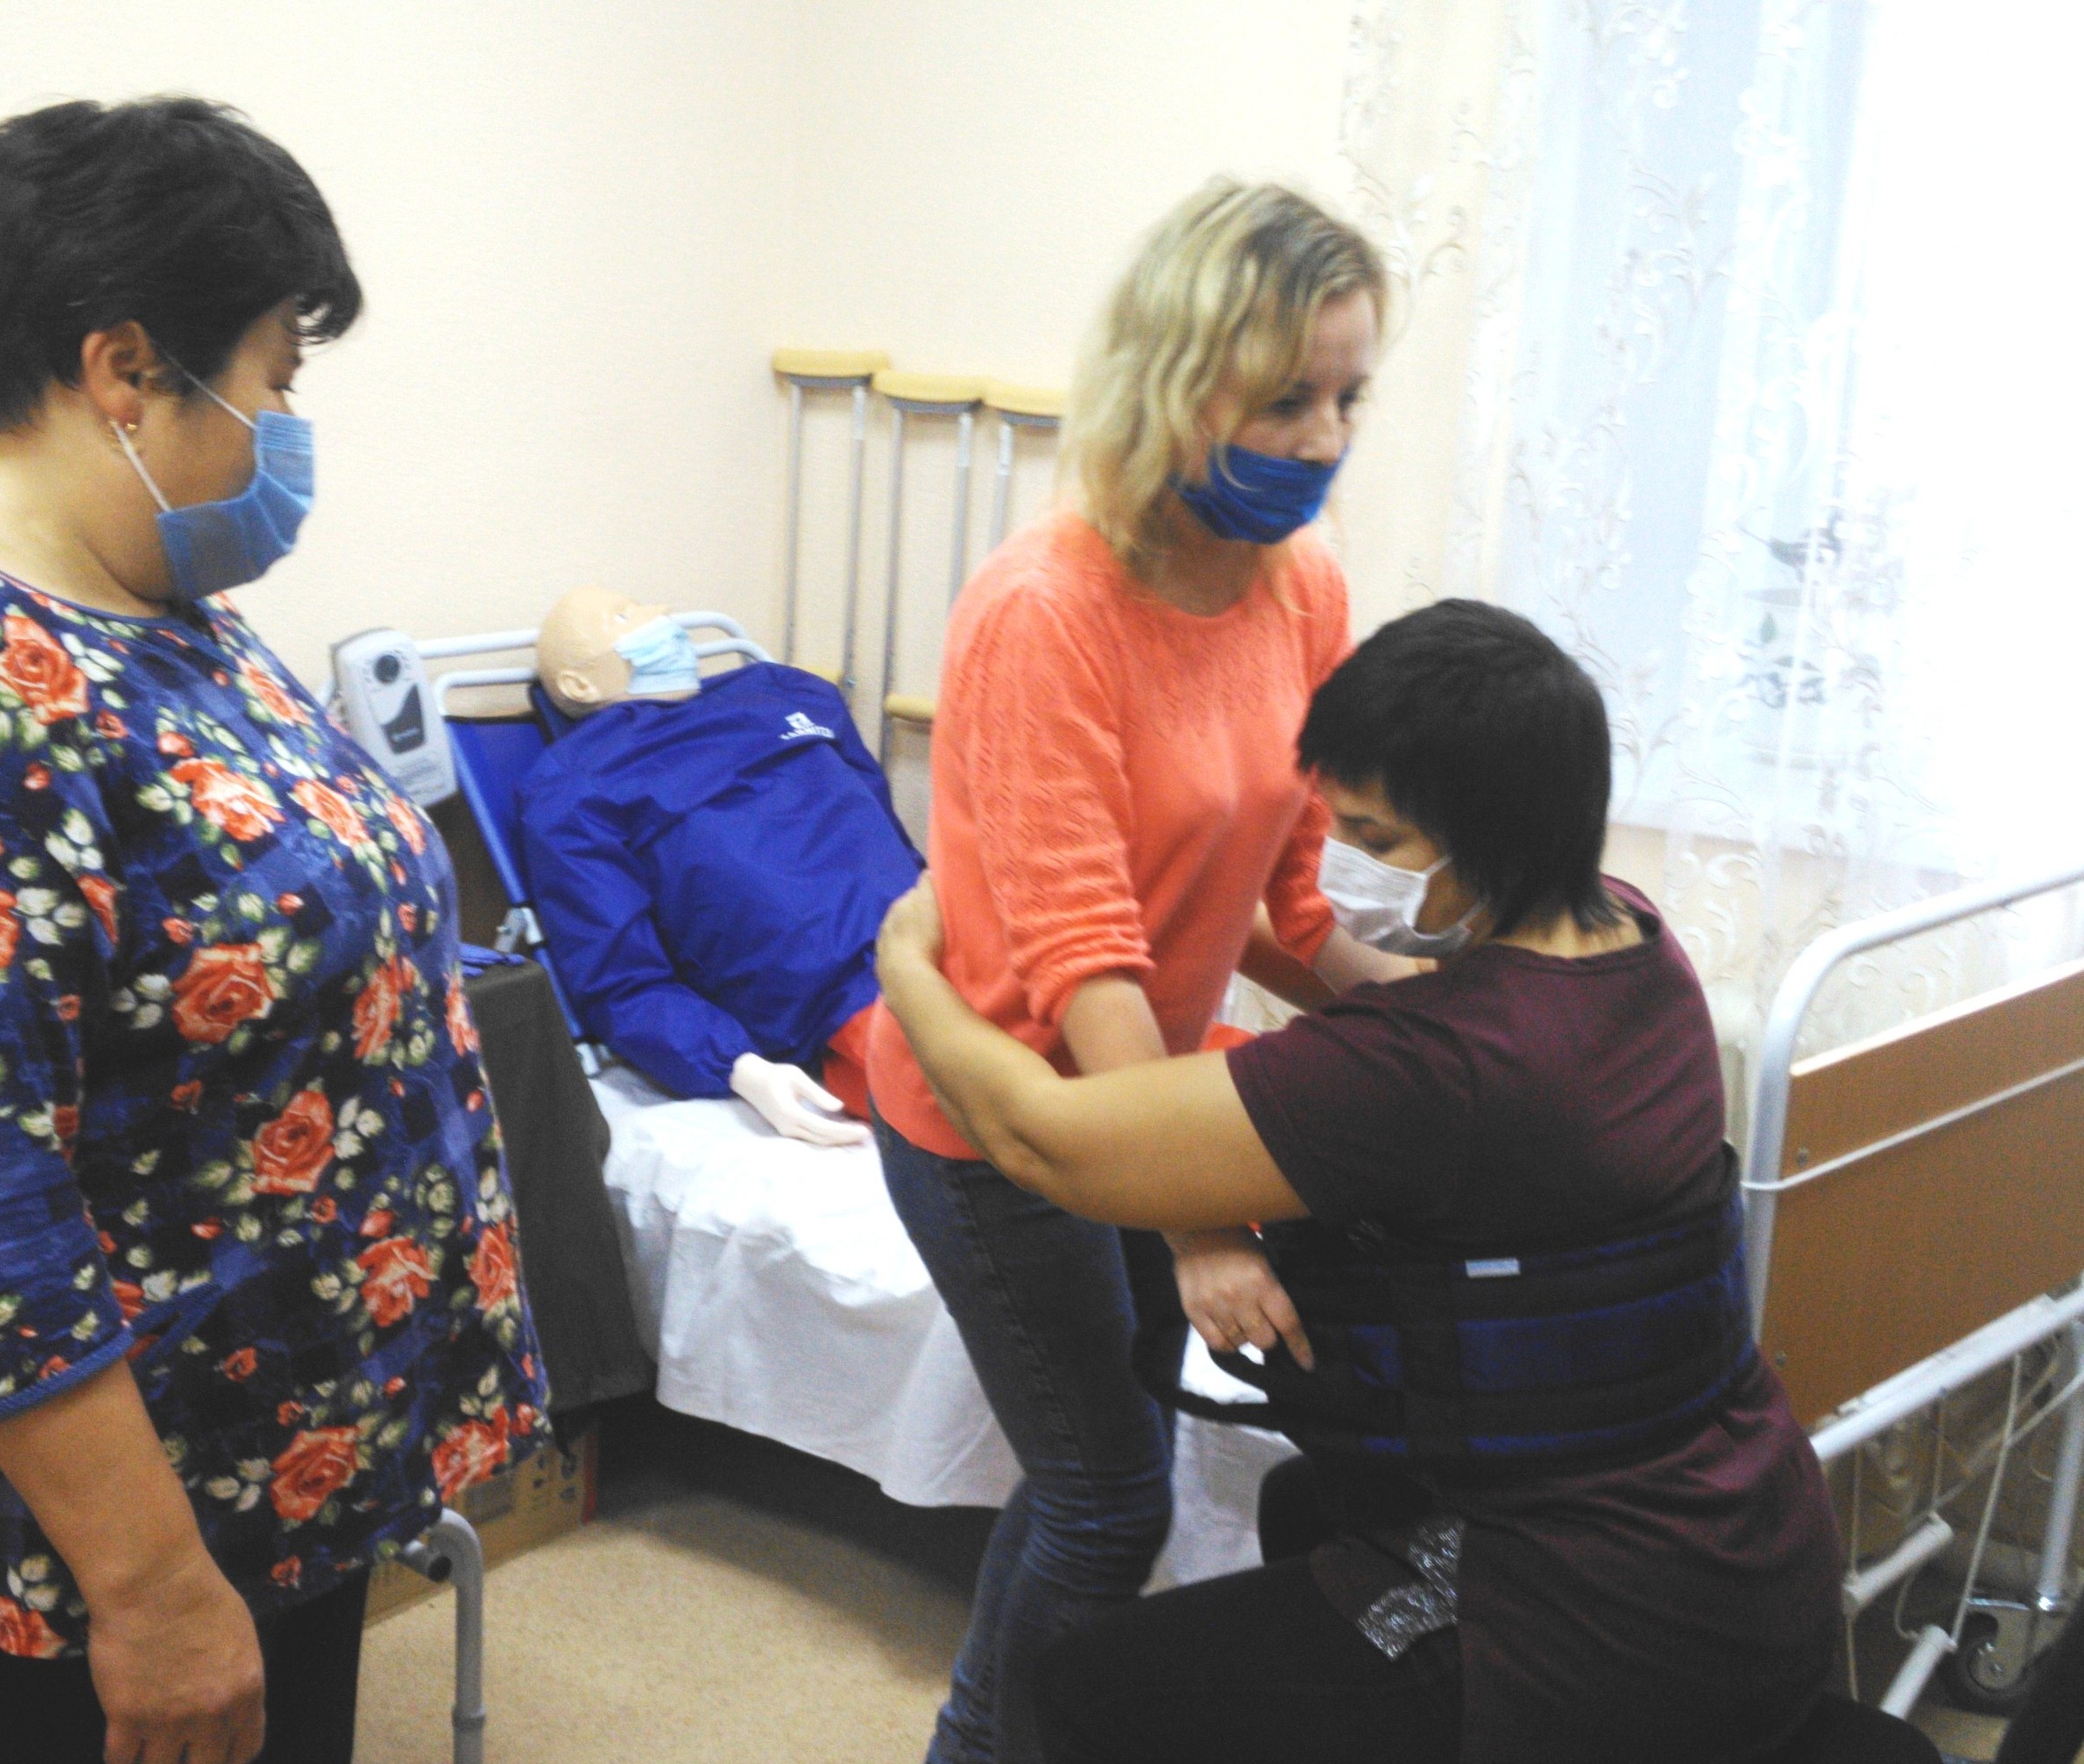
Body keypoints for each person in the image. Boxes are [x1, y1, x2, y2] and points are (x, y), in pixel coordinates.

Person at [0, 97, 546, 1764]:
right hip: (84, 1563)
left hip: (265, 1473)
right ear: (123, 370)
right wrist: (152, 1587)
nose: (284, 432)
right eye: (273, 381)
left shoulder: (145, 598)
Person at [875, 599, 1845, 1763]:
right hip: (1751, 1539)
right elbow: (1401, 1023)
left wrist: (905, 966)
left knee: (1086, 1689)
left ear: (1492, 840)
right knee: (1305, 1503)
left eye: (1376, 839)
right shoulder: (1636, 948)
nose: (1343, 862)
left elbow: (1046, 1139)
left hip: (1593, 1617)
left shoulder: (1429, 1072)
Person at [859, 180, 1410, 1762]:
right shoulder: (1044, 613)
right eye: (1284, 398)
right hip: (1000, 1115)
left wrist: (1428, 1009)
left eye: (1347, 398)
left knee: (1087, 1478)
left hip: (1145, 1098)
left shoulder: (1299, 583)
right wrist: (1196, 1223)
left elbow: (1280, 894)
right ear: (1174, 382)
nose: (1321, 438)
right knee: (1108, 1495)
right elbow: (1084, 958)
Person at [516, 583, 925, 1146]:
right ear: (578, 685)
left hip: (944, 939)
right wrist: (739, 1066)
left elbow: (886, 831)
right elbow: (621, 980)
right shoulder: (575, 786)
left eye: (643, 601)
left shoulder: (782, 691)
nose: (662, 611)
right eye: (624, 616)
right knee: (994, 1101)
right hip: (842, 998)